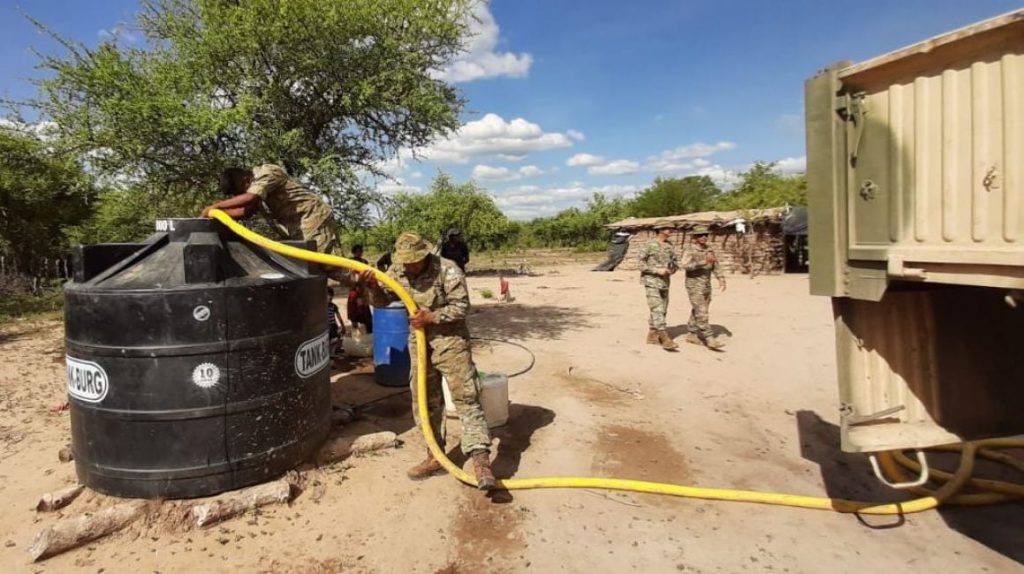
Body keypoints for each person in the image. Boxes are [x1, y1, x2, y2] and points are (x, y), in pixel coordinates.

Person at [361, 232, 496, 490]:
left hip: (451, 342)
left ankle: (481, 460)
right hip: (419, 343)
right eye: (406, 261)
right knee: (424, 399)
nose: (410, 266)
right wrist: (372, 286)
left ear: (425, 255)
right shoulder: (397, 270)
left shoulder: (448, 270)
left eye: (415, 261)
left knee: (466, 396)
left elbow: (462, 307)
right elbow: (382, 301)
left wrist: (431, 317)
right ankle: (435, 455)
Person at [201, 165, 348, 283]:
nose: (239, 197)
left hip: (312, 218)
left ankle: (367, 280)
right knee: (305, 266)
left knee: (328, 264)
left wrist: (215, 207)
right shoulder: (254, 189)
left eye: (239, 192)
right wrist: (215, 214)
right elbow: (245, 212)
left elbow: (250, 198)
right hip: (297, 225)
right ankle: (362, 284)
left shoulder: (267, 172)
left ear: (246, 180)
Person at [681, 225, 727, 350]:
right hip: (694, 285)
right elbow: (685, 265)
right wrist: (703, 262)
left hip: (706, 284)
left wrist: (721, 278)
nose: (704, 237)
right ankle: (710, 338)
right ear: (694, 237)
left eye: (705, 235)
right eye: (700, 235)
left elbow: (715, 264)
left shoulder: (709, 249)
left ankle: (691, 334)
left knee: (698, 309)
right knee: (702, 312)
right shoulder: (690, 250)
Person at [639, 219, 679, 350]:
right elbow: (640, 264)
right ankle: (664, 336)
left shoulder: (669, 245)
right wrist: (657, 270)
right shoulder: (649, 244)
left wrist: (672, 269)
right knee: (657, 309)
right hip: (651, 281)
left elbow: (674, 262)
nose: (671, 230)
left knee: (663, 309)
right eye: (668, 228)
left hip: (665, 282)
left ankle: (652, 335)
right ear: (661, 230)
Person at [347, 245, 373, 333]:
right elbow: (350, 275)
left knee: (365, 307)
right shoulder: (350, 261)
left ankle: (369, 328)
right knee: (354, 307)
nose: (359, 253)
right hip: (355, 287)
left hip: (363, 288)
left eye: (360, 251)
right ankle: (355, 323)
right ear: (353, 252)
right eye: (357, 251)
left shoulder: (364, 261)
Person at [327, 287, 345, 356]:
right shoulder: (321, 306)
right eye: (328, 295)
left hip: (333, 326)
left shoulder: (333, 306)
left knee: (334, 341)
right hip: (326, 327)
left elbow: (338, 317)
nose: (330, 297)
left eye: (331, 295)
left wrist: (343, 326)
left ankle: (332, 357)